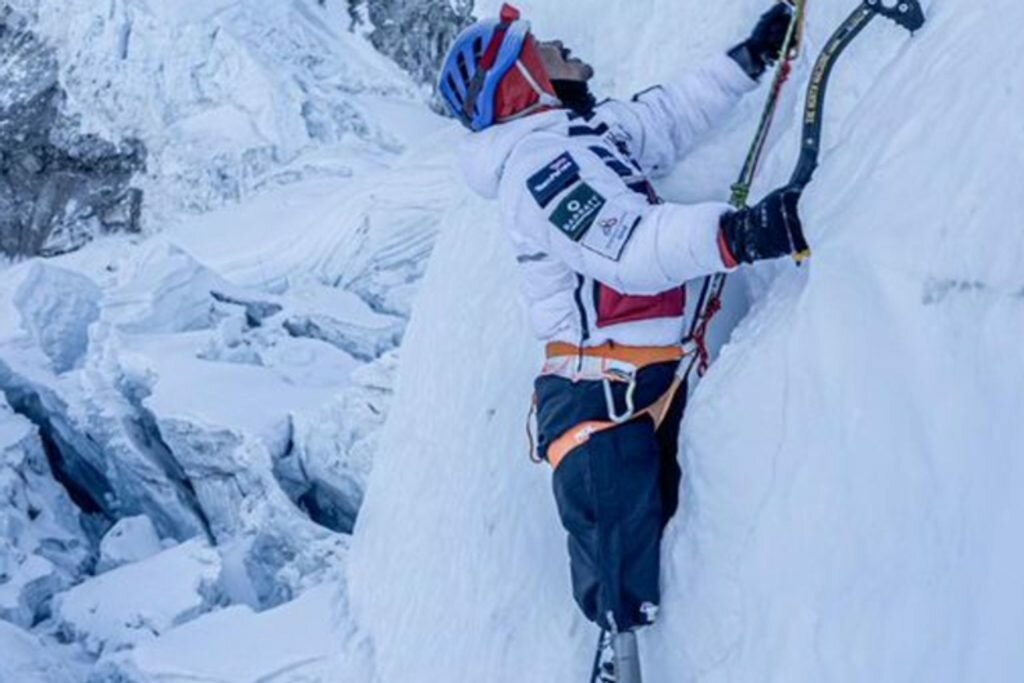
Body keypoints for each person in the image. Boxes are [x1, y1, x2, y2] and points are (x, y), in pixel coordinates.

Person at [438, 0, 807, 665]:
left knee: (653, 576)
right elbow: (628, 246)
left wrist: (749, 59)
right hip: (599, 408)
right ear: (521, 80)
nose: (559, 46)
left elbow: (666, 116)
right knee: (625, 600)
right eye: (541, 48)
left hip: (637, 385)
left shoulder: (584, 134)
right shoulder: (541, 170)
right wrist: (740, 235)